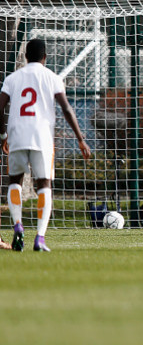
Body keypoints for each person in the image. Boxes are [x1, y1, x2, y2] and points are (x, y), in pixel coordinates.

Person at [0, 39, 92, 252]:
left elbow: (1, 105)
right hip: (42, 138)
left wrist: (4, 133)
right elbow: (67, 109)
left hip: (17, 136)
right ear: (45, 57)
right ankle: (40, 238)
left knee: (15, 181)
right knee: (44, 185)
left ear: (25, 57)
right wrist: (80, 138)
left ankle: (18, 225)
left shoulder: (13, 78)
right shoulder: (52, 77)